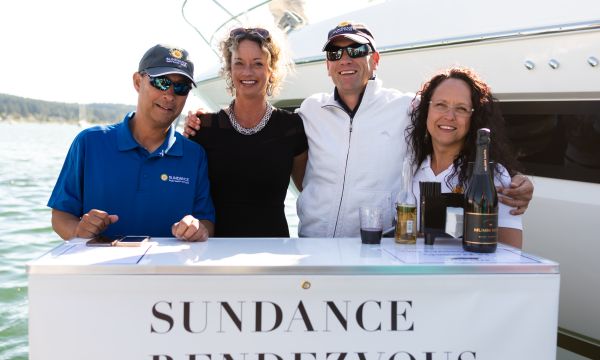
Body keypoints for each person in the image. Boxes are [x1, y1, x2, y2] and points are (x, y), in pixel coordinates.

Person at [296, 21, 533, 238]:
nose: (345, 59)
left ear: (376, 59)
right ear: (328, 65)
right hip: (313, 244)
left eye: (357, 51)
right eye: (335, 53)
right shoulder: (311, 110)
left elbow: (457, 126)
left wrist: (513, 176)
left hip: (375, 246)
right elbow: (297, 167)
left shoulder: (408, 107)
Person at [48, 44, 215, 242]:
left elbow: (207, 222)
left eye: (181, 87)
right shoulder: (89, 143)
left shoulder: (195, 155)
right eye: (161, 82)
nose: (170, 95)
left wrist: (197, 229)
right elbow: (60, 217)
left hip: (168, 271)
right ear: (137, 82)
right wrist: (79, 231)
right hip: (101, 271)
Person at [184, 27, 308, 237]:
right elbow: (189, 197)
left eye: (258, 63)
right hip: (214, 254)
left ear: (271, 70)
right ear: (229, 70)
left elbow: (310, 192)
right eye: (239, 63)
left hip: (275, 252)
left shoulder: (292, 128)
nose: (247, 72)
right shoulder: (203, 127)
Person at [407, 67, 523, 248]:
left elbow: (511, 253)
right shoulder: (410, 168)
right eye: (441, 105)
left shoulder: (492, 176)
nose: (449, 116)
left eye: (461, 108)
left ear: (474, 117)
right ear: (426, 110)